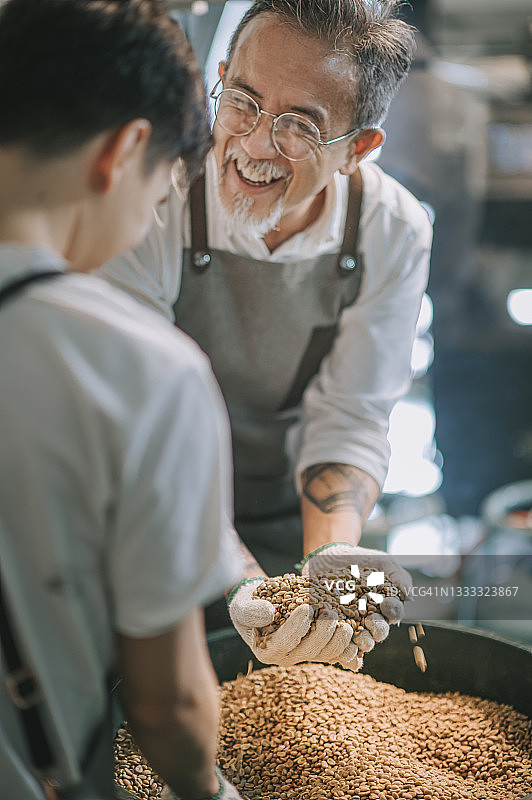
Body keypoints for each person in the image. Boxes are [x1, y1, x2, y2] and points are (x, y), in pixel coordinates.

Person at [98, 0, 433, 666]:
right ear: (218, 81)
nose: (254, 144)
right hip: (142, 515)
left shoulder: (391, 231)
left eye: (300, 126)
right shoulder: (154, 199)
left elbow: (350, 415)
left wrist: (328, 554)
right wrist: (244, 583)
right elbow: (141, 424)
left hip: (289, 515)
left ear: (358, 149)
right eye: (243, 102)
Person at [0, 1, 248, 799]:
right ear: (123, 151)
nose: (151, 220)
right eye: (164, 189)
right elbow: (168, 703)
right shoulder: (140, 371)